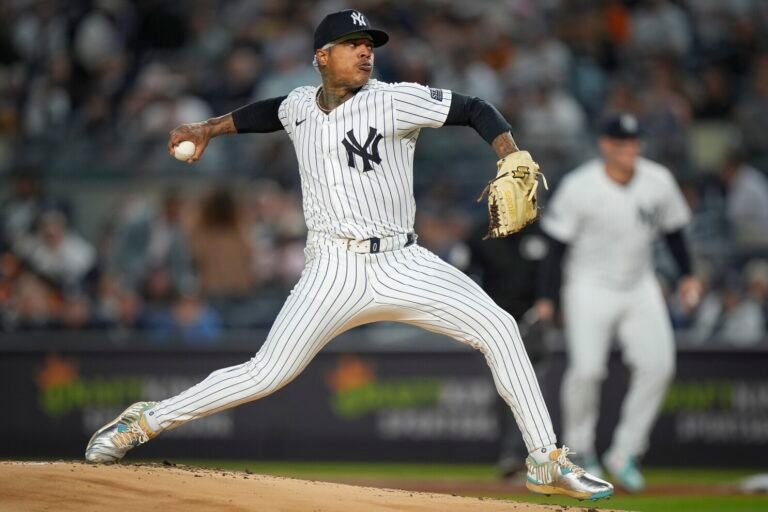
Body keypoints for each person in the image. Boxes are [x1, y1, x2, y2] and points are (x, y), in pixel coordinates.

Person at [84, 10, 613, 501]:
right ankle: (145, 420)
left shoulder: (393, 99)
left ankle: (544, 459)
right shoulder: (297, 105)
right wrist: (209, 128)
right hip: (332, 269)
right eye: (351, 44)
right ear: (321, 56)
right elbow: (266, 114)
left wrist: (510, 152)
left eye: (368, 45)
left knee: (499, 327)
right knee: (266, 373)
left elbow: (476, 108)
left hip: (404, 261)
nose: (365, 52)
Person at [534, 112, 701, 492]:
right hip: (588, 285)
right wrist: (546, 297)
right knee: (588, 371)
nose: (630, 150)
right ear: (605, 145)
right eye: (622, 143)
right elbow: (555, 248)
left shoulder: (658, 180)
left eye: (634, 143)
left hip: (639, 284)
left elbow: (675, 233)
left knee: (659, 366)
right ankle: (581, 453)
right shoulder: (580, 186)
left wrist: (689, 274)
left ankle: (625, 453)